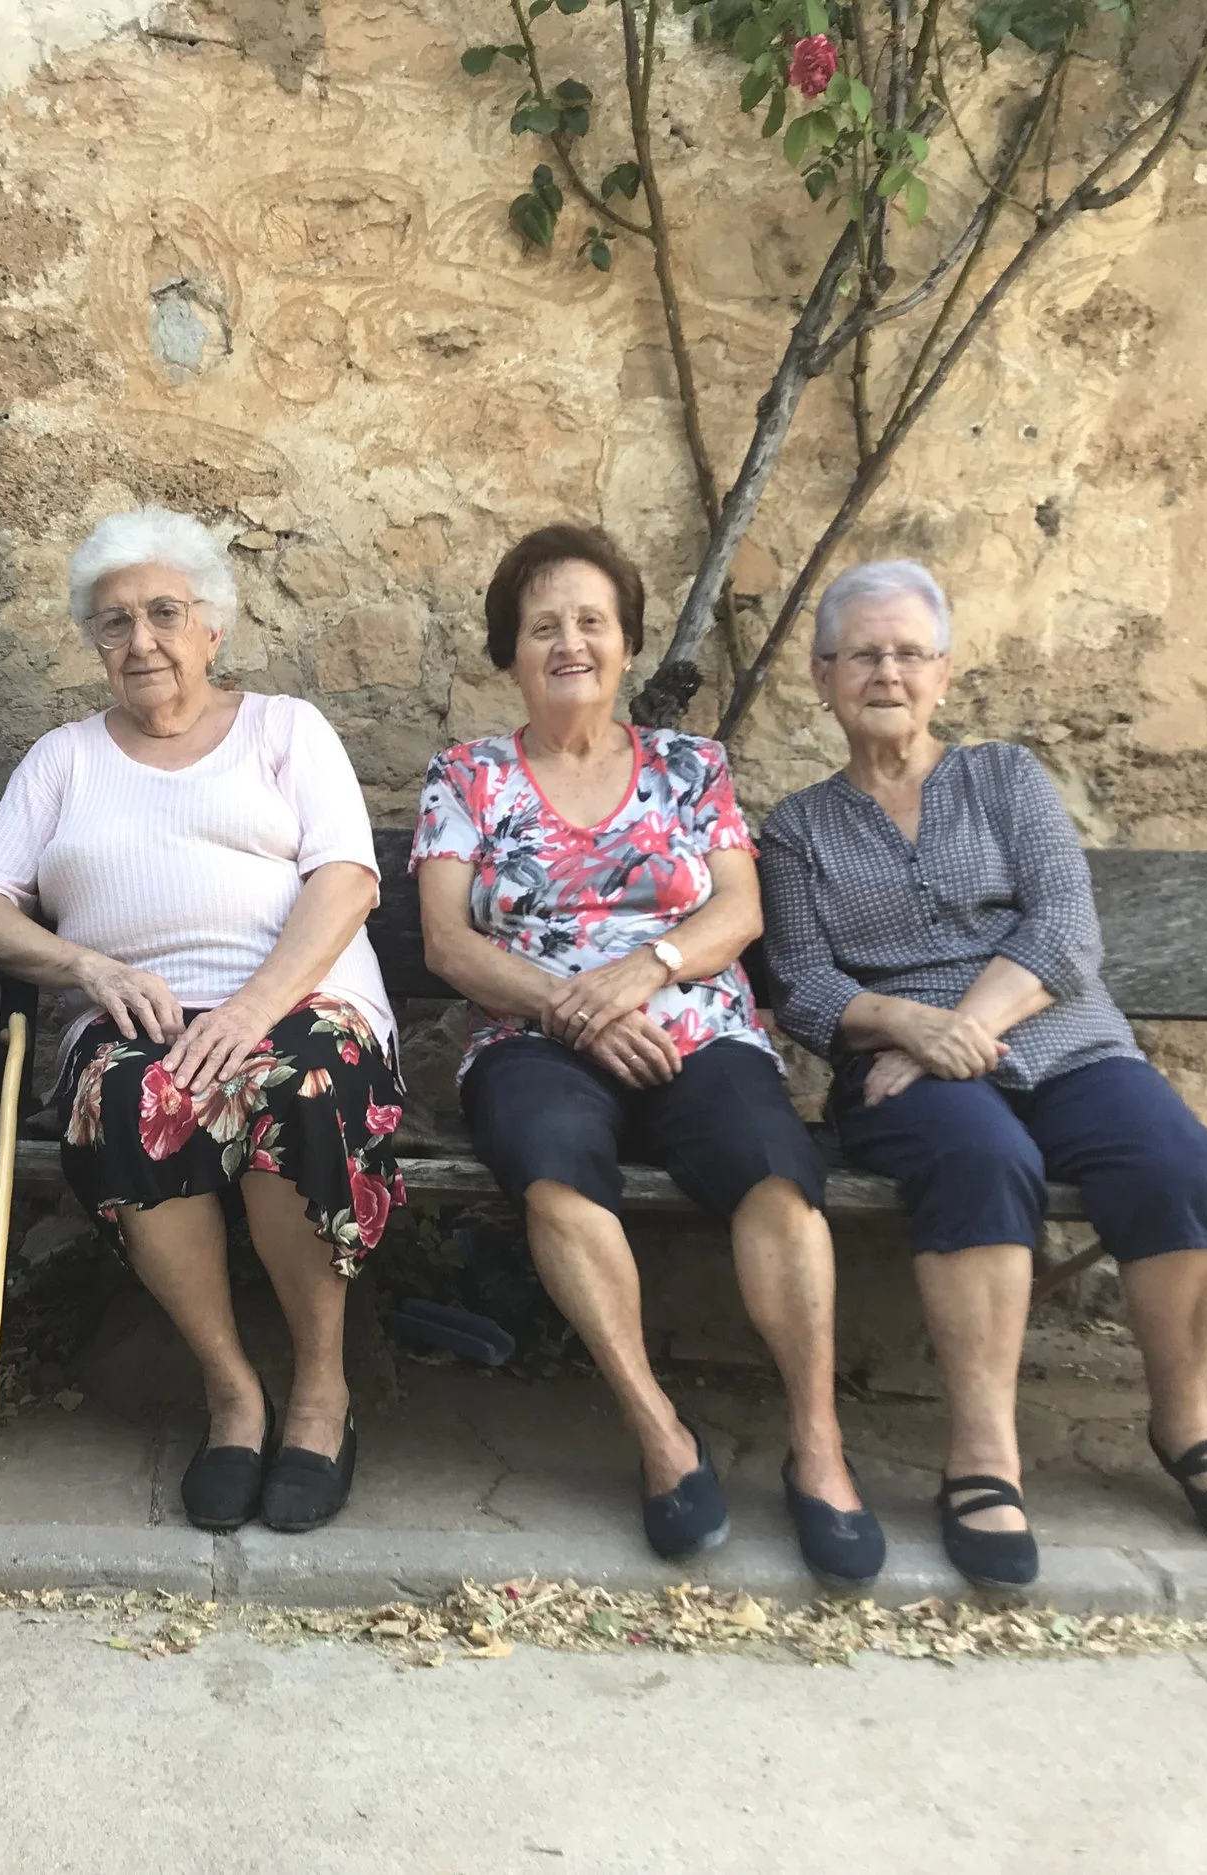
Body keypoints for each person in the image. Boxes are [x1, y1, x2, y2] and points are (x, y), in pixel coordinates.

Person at [758, 558, 1207, 1589]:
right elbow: (805, 986)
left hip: (1065, 1045)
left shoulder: (1005, 781)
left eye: (909, 653)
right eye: (862, 653)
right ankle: (984, 1454)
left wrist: (957, 1026)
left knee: (1181, 1169)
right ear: (821, 677)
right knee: (980, 1161)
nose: (887, 672)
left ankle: (1185, 1420)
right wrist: (911, 1030)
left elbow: (1062, 931)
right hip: (911, 1083)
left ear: (943, 674)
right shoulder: (798, 829)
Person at [412, 523, 883, 1582]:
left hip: (694, 1022)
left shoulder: (688, 764)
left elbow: (738, 909)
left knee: (774, 1173)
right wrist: (571, 1005)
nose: (568, 642)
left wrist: (647, 971)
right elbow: (448, 941)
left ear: (625, 644)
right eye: (542, 627)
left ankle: (817, 1446)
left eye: (591, 621)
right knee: (550, 1171)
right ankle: (659, 1432)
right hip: (531, 1034)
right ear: (510, 653)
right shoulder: (468, 777)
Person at [0, 506, 404, 1536]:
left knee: (298, 1082)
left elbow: (345, 883)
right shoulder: (63, 759)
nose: (141, 640)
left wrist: (253, 1009)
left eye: (164, 613)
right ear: (94, 644)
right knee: (126, 1096)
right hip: (136, 1009)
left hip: (297, 999)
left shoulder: (285, 731)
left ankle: (322, 1394)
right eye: (114, 623)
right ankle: (233, 1393)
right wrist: (84, 964)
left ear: (214, 627)